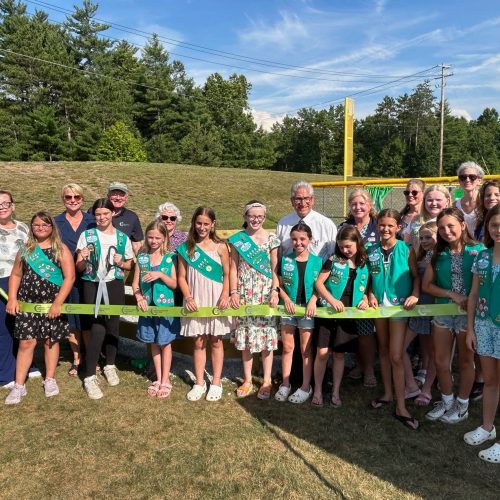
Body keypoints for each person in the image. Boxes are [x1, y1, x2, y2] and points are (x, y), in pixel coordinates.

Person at [5, 212, 75, 405]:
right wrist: (12, 298)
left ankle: (50, 379)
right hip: (27, 303)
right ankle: (19, 385)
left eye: (45, 225)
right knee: (26, 343)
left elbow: (69, 277)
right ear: (31, 227)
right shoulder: (26, 249)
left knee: (50, 341)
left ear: (52, 227)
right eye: (36, 225)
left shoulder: (60, 249)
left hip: (52, 305)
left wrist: (58, 303)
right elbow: (16, 275)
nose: (41, 228)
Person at [422, 207, 484, 423]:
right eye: (441, 228)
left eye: (451, 226)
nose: (446, 231)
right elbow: (427, 285)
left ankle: (462, 405)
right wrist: (451, 294)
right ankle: (447, 402)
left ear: (463, 225)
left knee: (466, 361)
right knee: (440, 361)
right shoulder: (437, 254)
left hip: (469, 316)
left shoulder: (479, 251)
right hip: (443, 313)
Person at [76, 198, 134, 400]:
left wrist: (122, 263)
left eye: (105, 213)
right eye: (98, 214)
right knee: (97, 328)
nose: (101, 217)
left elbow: (130, 264)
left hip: (113, 284)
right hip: (92, 283)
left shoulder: (122, 237)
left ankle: (110, 365)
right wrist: (83, 258)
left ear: (113, 213)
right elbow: (79, 267)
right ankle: (89, 376)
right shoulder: (87, 235)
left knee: (113, 326)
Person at [368, 209, 420, 430]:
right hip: (379, 307)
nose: (385, 229)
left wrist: (415, 294)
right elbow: (368, 278)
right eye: (382, 225)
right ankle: (388, 393)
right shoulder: (371, 250)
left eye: (390, 225)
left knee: (396, 355)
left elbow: (416, 277)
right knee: (383, 349)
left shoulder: (406, 249)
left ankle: (401, 406)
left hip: (399, 308)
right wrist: (369, 294)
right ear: (377, 226)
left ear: (398, 227)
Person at [177, 207, 231, 402]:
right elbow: (181, 277)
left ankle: (216, 381)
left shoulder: (221, 247)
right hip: (196, 300)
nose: (202, 227)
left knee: (216, 340)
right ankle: (199, 382)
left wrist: (225, 295)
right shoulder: (186, 248)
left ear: (213, 224)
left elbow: (227, 274)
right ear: (194, 223)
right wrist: (188, 297)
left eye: (206, 224)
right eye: (198, 223)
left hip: (216, 299)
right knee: (199, 341)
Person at [313, 225, 369, 407]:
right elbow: (319, 283)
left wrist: (365, 299)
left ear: (357, 242)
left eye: (348, 246)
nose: (345, 250)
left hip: (348, 315)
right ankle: (318, 390)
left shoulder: (363, 263)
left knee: (339, 354)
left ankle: (335, 392)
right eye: (341, 246)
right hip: (328, 312)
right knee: (322, 353)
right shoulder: (333, 260)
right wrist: (331, 300)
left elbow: (365, 288)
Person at [228, 201, 280, 399]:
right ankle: (248, 379)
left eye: (259, 216)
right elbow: (233, 268)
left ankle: (266, 380)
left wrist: (275, 291)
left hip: (265, 294)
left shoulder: (272, 239)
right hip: (244, 293)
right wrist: (234, 292)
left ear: (264, 217)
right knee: (246, 337)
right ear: (245, 217)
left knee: (267, 338)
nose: (256, 219)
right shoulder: (238, 240)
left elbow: (275, 268)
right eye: (252, 215)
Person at [464, 205, 500, 463]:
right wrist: (470, 328)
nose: (499, 230)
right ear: (487, 227)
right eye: (495, 224)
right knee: (490, 380)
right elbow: (474, 294)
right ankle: (488, 427)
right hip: (484, 326)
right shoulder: (482, 257)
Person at [274, 222, 322, 404]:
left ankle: (305, 386)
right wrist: (286, 299)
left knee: (305, 350)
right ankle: (285, 384)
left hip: (307, 311)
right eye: (294, 239)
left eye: (302, 239)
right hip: (288, 309)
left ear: (310, 240)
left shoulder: (318, 261)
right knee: (287, 347)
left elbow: (321, 286)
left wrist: (313, 300)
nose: (298, 242)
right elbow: (278, 284)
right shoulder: (285, 259)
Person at [133, 220, 178, 398]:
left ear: (164, 238)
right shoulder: (142, 258)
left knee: (165, 343)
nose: (153, 241)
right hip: (148, 307)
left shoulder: (170, 258)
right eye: (150, 237)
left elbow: (174, 284)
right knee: (153, 342)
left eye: (158, 238)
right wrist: (138, 297)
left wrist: (160, 275)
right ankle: (158, 378)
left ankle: (166, 380)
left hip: (165, 308)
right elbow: (135, 284)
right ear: (146, 237)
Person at [54, 183, 95, 376]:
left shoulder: (92, 221)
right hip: (66, 278)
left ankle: (91, 357)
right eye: (68, 197)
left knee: (87, 319)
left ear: (82, 199)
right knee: (71, 320)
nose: (72, 200)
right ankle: (77, 358)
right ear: (63, 199)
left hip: (89, 277)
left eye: (76, 197)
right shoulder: (56, 222)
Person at [340, 188, 378, 386]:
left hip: (374, 283)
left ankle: (369, 368)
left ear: (369, 205)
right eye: (354, 204)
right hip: (349, 284)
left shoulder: (378, 226)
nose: (358, 207)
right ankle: (359, 364)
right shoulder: (344, 226)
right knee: (353, 328)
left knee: (366, 330)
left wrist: (368, 293)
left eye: (362, 203)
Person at [405, 221, 438, 407]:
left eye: (429, 237)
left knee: (434, 352)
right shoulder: (418, 255)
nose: (424, 241)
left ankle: (426, 390)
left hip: (437, 310)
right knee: (400, 348)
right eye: (422, 238)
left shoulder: (441, 257)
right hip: (418, 310)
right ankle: (411, 385)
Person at [0, 191, 29, 389]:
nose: (2, 207)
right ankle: (6, 374)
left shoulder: (23, 228)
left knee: (23, 325)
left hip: (23, 280)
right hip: (2, 281)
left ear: (13, 205)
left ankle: (27, 364)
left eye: (6, 203)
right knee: (3, 329)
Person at [276, 181, 337, 263]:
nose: (303, 203)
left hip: (320, 270)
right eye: (298, 199)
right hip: (288, 270)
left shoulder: (326, 225)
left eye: (306, 198)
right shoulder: (283, 224)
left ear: (312, 200)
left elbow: (334, 255)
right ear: (292, 201)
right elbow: (278, 255)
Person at [106, 182, 144, 254]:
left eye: (121, 195)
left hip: (122, 259)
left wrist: (139, 258)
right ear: (108, 196)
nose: (118, 198)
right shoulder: (95, 212)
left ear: (126, 197)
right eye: (114, 194)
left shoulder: (132, 217)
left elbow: (137, 244)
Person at [454, 161, 484, 236]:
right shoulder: (454, 206)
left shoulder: (485, 203)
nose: (467, 180)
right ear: (459, 181)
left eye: (472, 177)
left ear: (479, 180)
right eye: (463, 177)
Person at [399, 179, 425, 243]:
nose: (410, 195)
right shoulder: (401, 216)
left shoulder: (427, 215)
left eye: (414, 192)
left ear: (423, 194)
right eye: (407, 193)